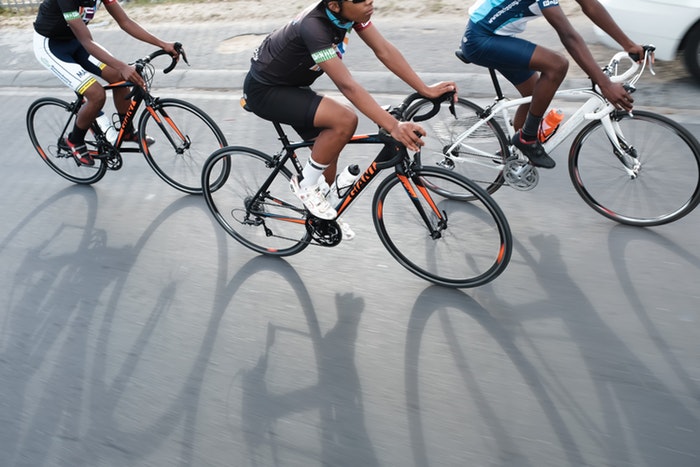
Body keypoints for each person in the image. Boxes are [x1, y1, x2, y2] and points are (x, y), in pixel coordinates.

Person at [243, 0, 457, 231]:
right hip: (267, 90)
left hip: (292, 86)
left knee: (329, 154)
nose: (369, 1)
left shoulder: (348, 15)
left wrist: (424, 89)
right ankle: (305, 186)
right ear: (335, 6)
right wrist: (393, 126)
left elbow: (383, 50)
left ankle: (320, 216)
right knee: (344, 119)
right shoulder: (313, 27)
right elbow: (347, 86)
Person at [460, 0, 646, 169]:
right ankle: (527, 139)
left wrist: (628, 44)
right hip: (481, 38)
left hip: (499, 36)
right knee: (557, 65)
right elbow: (568, 36)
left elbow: (591, 6)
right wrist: (604, 84)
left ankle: (513, 152)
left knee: (535, 95)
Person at [33, 0, 179, 167]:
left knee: (120, 77)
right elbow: (87, 42)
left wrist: (163, 44)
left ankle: (127, 132)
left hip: (76, 42)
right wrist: (123, 66)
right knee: (96, 94)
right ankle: (74, 140)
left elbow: (125, 22)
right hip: (51, 47)